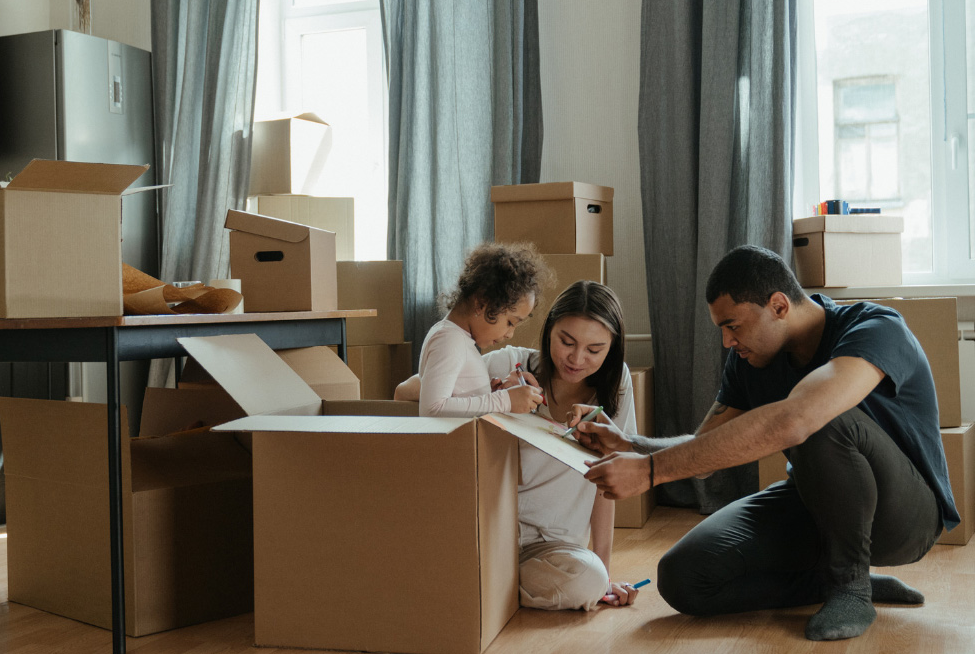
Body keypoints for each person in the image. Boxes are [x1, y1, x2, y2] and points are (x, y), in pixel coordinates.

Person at [572, 245, 956, 641]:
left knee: (820, 416)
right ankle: (830, 581)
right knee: (683, 577)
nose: (726, 341)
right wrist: (632, 446)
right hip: (815, 503)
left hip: (905, 518)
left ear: (778, 306)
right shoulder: (749, 360)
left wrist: (651, 473)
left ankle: (851, 588)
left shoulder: (875, 327)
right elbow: (705, 450)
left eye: (733, 325)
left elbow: (799, 419)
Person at [399, 279, 644, 610]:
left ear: (612, 349)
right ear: (548, 331)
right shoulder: (510, 363)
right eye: (566, 342)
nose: (576, 358)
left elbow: (607, 482)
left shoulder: (618, 387)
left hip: (553, 548)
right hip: (488, 533)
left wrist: (605, 572)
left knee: (590, 580)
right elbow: (407, 392)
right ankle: (484, 582)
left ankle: (480, 584)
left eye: (594, 350)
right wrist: (494, 392)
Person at [415, 242, 548, 416]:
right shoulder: (450, 340)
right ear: (482, 303)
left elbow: (457, 402)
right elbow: (432, 409)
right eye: (510, 322)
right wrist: (504, 400)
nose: (510, 334)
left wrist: (489, 395)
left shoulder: (458, 339)